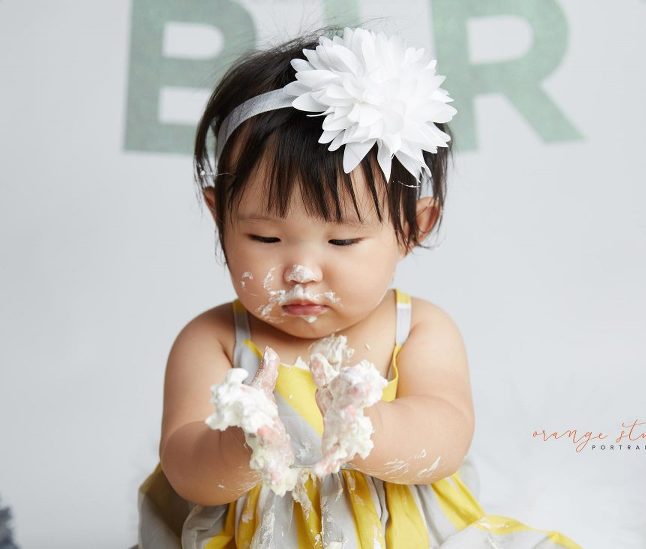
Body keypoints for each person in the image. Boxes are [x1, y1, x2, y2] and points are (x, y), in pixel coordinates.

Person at [137, 25, 581, 549]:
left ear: (413, 228)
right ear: (220, 217)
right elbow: (186, 466)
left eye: (342, 240)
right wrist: (243, 446)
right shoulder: (212, 340)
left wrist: (365, 428)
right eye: (265, 236)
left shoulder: (418, 330)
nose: (301, 270)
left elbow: (447, 435)